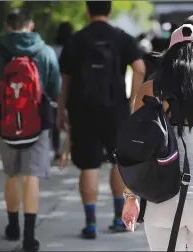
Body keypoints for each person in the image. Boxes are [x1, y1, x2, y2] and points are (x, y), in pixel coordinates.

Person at [122, 24, 193, 251]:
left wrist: (130, 197)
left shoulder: (148, 90)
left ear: (170, 56)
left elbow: (137, 147)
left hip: (161, 199)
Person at [57, 1, 145, 239]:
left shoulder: (76, 39)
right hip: (115, 110)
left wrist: (61, 110)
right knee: (118, 162)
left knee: (88, 166)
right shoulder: (121, 38)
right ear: (109, 10)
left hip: (82, 110)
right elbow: (139, 68)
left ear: (87, 10)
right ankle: (118, 218)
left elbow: (65, 79)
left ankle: (91, 223)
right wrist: (132, 101)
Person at [0, 9, 61, 251]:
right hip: (37, 123)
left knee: (12, 175)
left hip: (6, 125)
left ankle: (13, 226)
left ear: (7, 26)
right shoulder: (45, 52)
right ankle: (29, 236)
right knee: (31, 177)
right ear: (31, 26)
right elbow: (54, 88)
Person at [52, 21, 74, 161]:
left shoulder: (53, 49)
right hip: (72, 87)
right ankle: (70, 147)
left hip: (55, 87)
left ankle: (57, 149)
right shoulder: (74, 48)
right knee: (72, 119)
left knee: (57, 119)